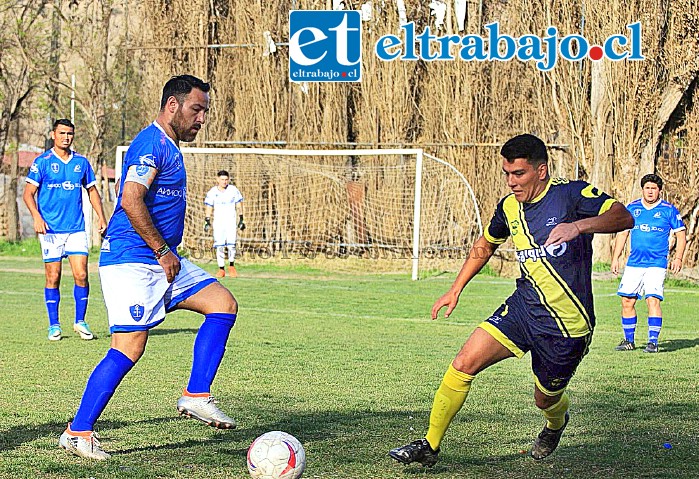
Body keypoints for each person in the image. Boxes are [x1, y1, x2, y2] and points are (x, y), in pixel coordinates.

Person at [389, 134, 634, 467]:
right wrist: (456, 287)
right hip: (523, 307)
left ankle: (555, 422)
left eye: (518, 174)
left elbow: (623, 216)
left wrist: (579, 227)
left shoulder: (570, 195)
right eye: (507, 173)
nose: (511, 181)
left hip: (567, 326)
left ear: (541, 170)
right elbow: (486, 243)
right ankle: (429, 446)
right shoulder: (508, 206)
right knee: (464, 362)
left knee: (544, 399)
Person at [59, 75, 239, 460]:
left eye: (205, 110)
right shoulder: (150, 143)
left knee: (222, 304)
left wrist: (166, 252)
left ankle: (196, 395)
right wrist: (161, 250)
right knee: (129, 348)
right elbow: (130, 198)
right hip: (133, 260)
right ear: (172, 105)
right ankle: (78, 431)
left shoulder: (171, 146)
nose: (202, 118)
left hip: (163, 259)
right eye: (196, 109)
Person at [23, 119, 108, 341]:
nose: (66, 137)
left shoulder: (81, 162)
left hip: (76, 229)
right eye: (62, 133)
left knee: (81, 274)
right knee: (53, 276)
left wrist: (101, 217)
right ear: (53, 134)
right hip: (50, 230)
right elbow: (28, 193)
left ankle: (80, 321)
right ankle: (54, 325)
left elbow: (92, 191)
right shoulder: (42, 162)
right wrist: (37, 217)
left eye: (69, 133)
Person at [611, 174, 686, 353]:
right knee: (627, 300)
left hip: (656, 263)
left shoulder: (669, 210)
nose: (650, 191)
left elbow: (681, 235)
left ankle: (652, 342)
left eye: (654, 188)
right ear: (642, 189)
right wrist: (615, 258)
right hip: (634, 264)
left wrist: (678, 258)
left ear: (659, 190)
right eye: (647, 188)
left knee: (652, 300)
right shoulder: (633, 208)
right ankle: (629, 341)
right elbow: (622, 234)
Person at [204, 170, 245, 278]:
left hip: (231, 221)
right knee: (220, 245)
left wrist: (241, 219)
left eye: (226, 179)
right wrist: (207, 220)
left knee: (231, 244)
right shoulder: (212, 192)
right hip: (218, 222)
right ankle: (221, 269)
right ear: (218, 180)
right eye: (222, 179)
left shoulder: (233, 190)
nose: (224, 182)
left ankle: (232, 266)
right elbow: (209, 206)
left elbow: (239, 205)